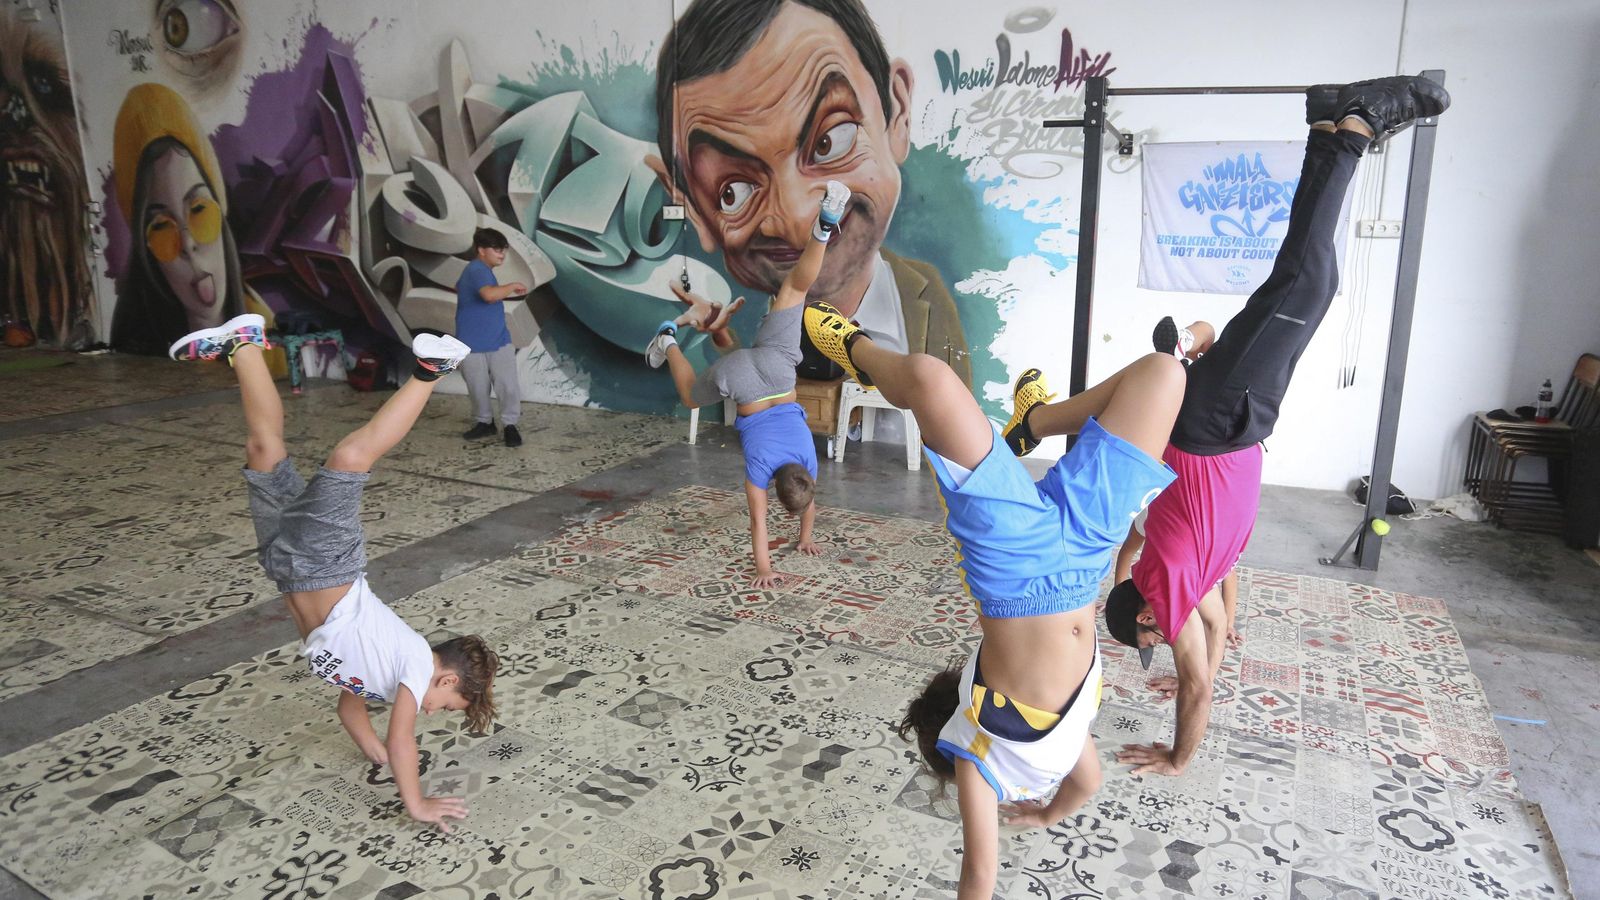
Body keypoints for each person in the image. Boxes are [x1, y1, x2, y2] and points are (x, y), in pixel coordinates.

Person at [1104, 76, 1451, 778]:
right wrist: (1136, 595)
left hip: (1217, 421)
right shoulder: (1179, 578)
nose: (1165, 641)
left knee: (1308, 282)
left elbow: (1198, 683)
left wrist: (1178, 756)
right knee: (1301, 277)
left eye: (1153, 638)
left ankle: (1357, 127)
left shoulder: (1169, 592)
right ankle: (1326, 127)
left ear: (1148, 615)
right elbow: (1213, 626)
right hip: (1225, 424)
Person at [803, 299, 1184, 899]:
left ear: (954, 733)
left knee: (928, 378)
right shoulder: (1061, 747)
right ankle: (1036, 421)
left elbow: (979, 876)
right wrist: (1044, 815)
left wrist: (1037, 809)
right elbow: (1088, 782)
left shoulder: (976, 759)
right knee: (1164, 373)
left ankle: (858, 351)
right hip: (1087, 553)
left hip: (1014, 569)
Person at [168, 313, 500, 832]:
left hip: (286, 565)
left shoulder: (383, 678)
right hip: (325, 564)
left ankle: (244, 344)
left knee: (263, 451)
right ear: (448, 678)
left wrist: (373, 751)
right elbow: (402, 738)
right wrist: (415, 800)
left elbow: (350, 710)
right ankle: (431, 371)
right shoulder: (415, 666)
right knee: (350, 456)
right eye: (447, 705)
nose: (432, 712)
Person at [650, 0, 971, 388]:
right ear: (692, 208)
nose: (796, 219)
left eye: (829, 142)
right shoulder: (758, 335)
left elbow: (801, 280)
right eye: (733, 192)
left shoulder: (929, 298)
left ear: (897, 113)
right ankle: (667, 341)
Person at [646, 182, 849, 587]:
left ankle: (825, 225)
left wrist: (804, 538)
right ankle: (667, 340)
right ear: (776, 489)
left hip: (777, 369)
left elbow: (806, 500)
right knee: (690, 397)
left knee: (795, 288)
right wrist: (765, 569)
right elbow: (759, 523)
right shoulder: (760, 470)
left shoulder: (808, 463)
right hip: (740, 377)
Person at [110, 82, 272, 355]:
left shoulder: (272, 343)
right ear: (148, 255)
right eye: (161, 226)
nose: (187, 243)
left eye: (198, 211)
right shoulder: (140, 359)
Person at [455, 228, 529, 447]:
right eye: (496, 250)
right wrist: (513, 285)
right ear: (481, 250)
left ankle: (506, 425)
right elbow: (488, 295)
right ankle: (490, 424)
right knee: (487, 386)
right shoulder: (477, 268)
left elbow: (462, 289)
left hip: (495, 339)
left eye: (503, 250)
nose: (502, 255)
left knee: (502, 385)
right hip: (473, 342)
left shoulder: (479, 270)